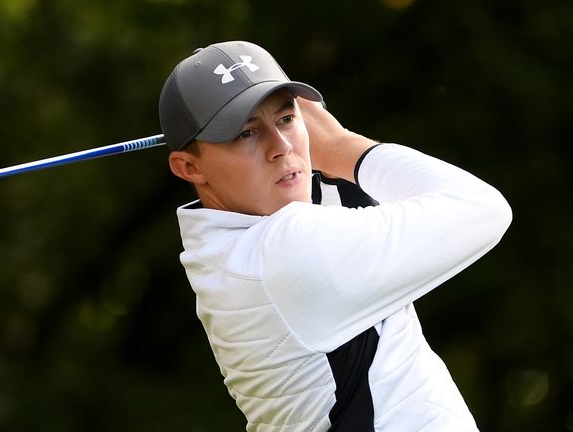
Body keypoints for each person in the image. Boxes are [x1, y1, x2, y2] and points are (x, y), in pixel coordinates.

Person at [158, 41, 512, 431]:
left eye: (287, 119)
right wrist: (342, 147)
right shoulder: (284, 252)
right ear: (189, 167)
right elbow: (483, 208)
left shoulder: (229, 248)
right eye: (246, 133)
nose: (282, 147)